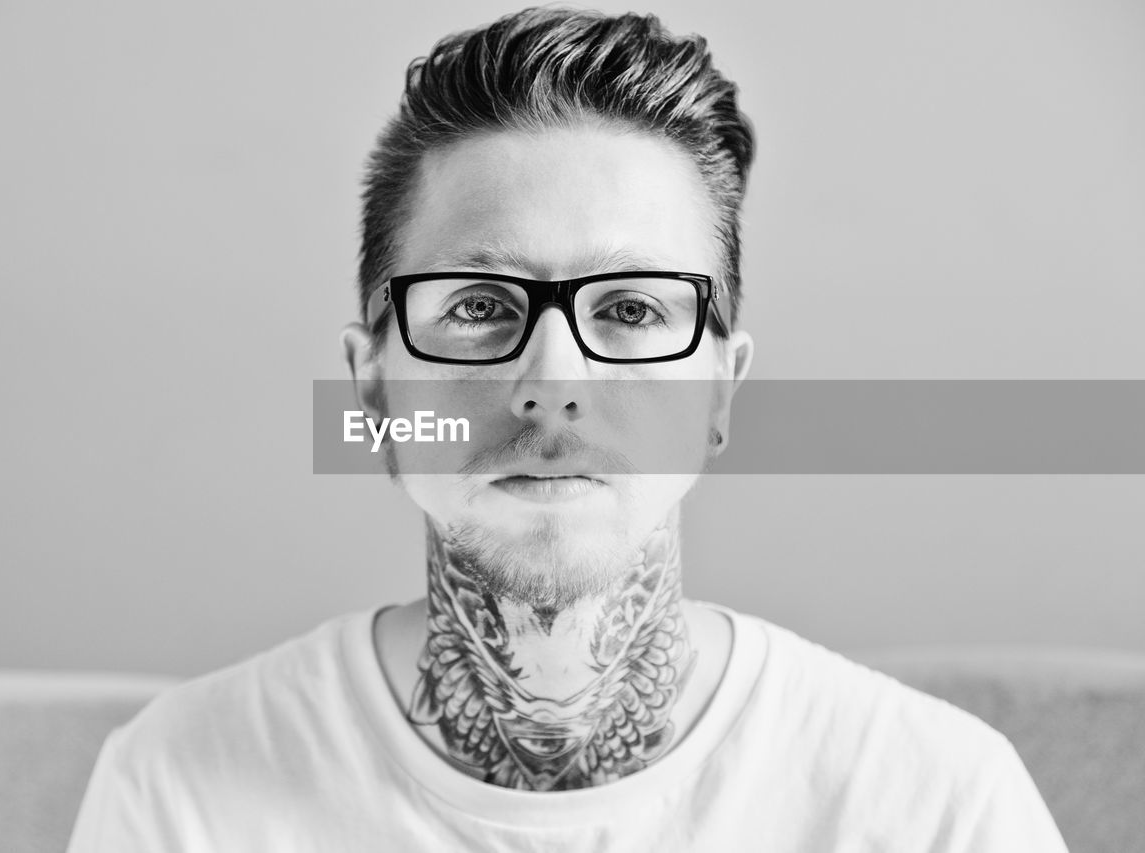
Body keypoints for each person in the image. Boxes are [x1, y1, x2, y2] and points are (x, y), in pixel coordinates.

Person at [68, 8, 1069, 851]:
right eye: (475, 307)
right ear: (370, 388)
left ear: (719, 392)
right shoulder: (178, 791)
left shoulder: (936, 804)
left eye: (631, 311)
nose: (551, 383)